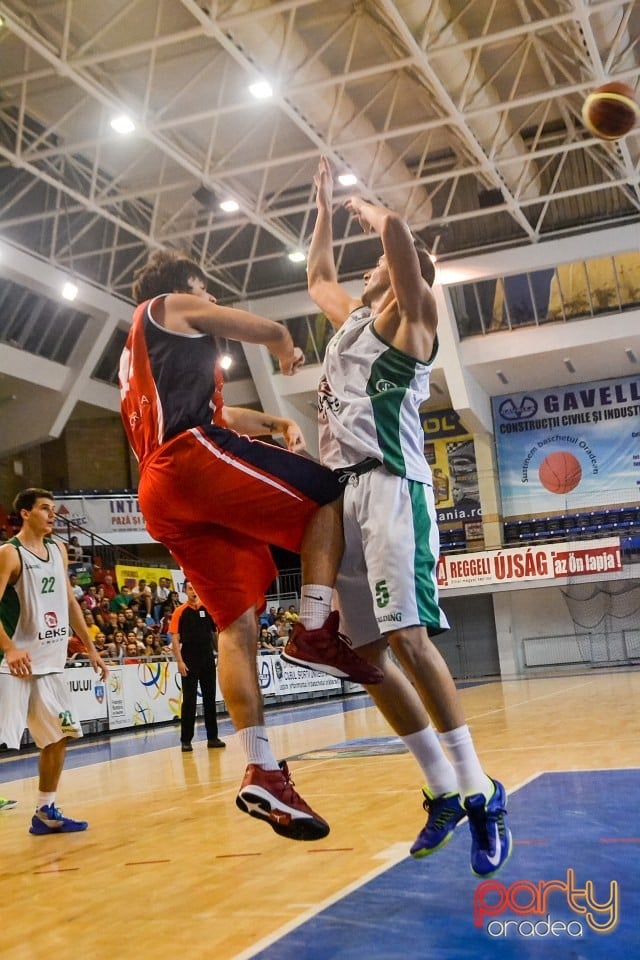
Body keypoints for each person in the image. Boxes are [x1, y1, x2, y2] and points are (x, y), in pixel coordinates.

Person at [284, 157, 512, 877]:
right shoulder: (351, 319)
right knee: (366, 656)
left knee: (409, 638)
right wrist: (321, 208)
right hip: (343, 496)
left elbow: (407, 250)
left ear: (407, 269)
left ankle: (481, 790)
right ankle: (442, 790)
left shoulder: (417, 324)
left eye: (391, 260)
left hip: (393, 489)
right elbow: (318, 277)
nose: (376, 267)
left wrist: (382, 217)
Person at [119, 250, 382, 843]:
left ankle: (260, 766)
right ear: (181, 289)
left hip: (162, 489)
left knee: (237, 625)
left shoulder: (146, 359)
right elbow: (270, 329)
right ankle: (316, 627)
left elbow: (222, 412)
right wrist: (287, 349)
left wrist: (270, 422)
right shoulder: (165, 307)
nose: (209, 297)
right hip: (189, 460)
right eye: (203, 288)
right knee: (328, 496)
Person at [0, 488, 108, 834]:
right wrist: (8, 648)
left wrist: (90, 647)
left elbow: (69, 602)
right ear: (26, 513)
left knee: (59, 736)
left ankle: (45, 811)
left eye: (52, 509)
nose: (52, 514)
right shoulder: (9, 554)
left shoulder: (57, 550)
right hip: (12, 665)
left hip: (48, 664)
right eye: (45, 509)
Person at [170, 580, 225, 751]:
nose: (193, 591)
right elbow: (174, 638)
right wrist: (179, 661)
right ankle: (186, 740)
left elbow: (215, 633)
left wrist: (221, 654)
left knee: (210, 699)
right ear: (185, 591)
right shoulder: (180, 612)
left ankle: (213, 737)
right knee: (189, 701)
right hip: (189, 661)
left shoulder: (207, 609)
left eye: (195, 588)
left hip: (207, 659)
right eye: (190, 589)